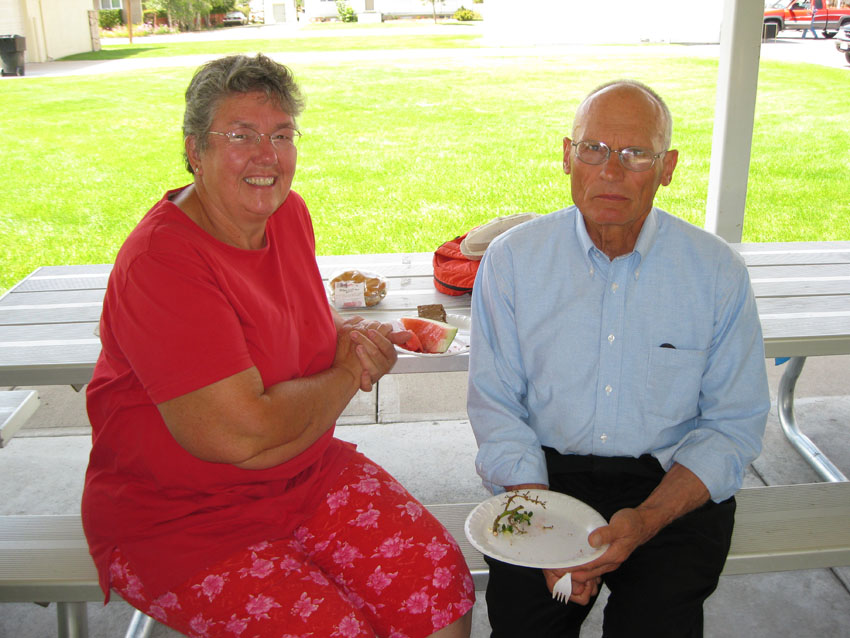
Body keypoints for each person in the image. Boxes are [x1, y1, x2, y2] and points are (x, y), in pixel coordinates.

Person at [82, 53, 473, 638]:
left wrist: (355, 343)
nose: (267, 155)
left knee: (439, 586)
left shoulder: (288, 215)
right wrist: (348, 374)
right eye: (241, 135)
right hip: (182, 516)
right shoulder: (162, 262)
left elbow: (293, 337)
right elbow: (240, 435)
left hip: (303, 472)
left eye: (282, 135)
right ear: (195, 150)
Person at [467, 80, 770, 637]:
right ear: (567, 156)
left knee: (657, 625)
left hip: (670, 482)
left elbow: (733, 423)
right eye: (593, 149)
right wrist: (540, 526)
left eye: (634, 154)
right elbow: (496, 407)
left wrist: (650, 519)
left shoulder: (715, 271)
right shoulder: (513, 262)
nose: (610, 170)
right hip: (543, 478)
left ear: (668, 166)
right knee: (524, 622)